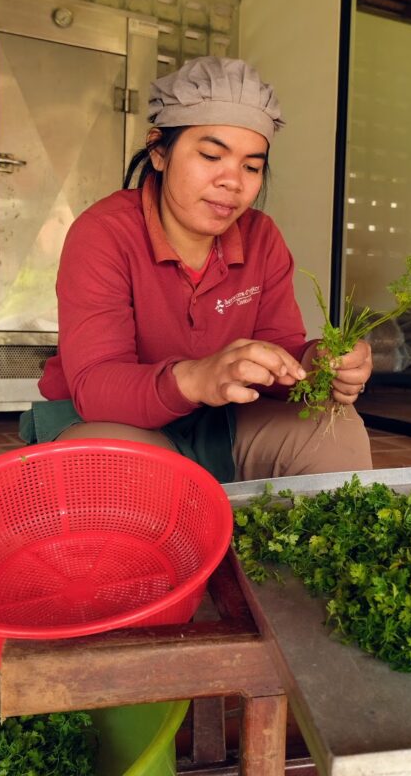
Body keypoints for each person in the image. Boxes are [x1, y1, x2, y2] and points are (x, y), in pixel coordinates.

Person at [20, 56, 374, 483]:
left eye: (252, 166)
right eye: (211, 155)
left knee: (334, 428)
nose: (233, 181)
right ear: (158, 151)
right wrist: (197, 377)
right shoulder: (104, 233)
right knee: (109, 468)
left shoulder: (261, 238)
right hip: (112, 421)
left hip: (220, 421)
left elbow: (279, 352)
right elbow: (97, 386)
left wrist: (316, 363)